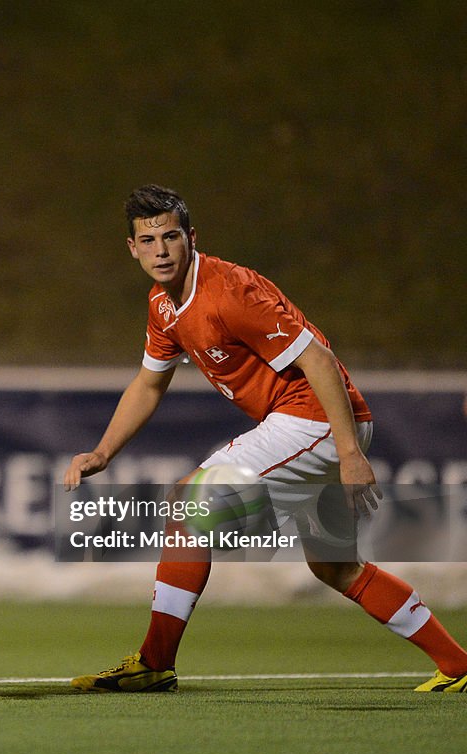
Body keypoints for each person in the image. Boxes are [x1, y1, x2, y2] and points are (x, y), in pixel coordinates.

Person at [63, 184, 467, 694]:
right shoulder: (162, 306)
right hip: (314, 424)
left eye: (171, 237)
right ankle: (458, 664)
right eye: (148, 241)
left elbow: (318, 359)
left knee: (189, 505)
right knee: (335, 566)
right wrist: (102, 452)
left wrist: (348, 453)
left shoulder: (230, 291)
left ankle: (154, 661)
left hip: (315, 420)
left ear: (192, 238)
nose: (160, 251)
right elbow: (149, 382)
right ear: (132, 247)